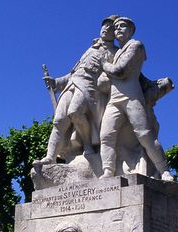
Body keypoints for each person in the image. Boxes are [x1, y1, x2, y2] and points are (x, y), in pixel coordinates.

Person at [36, 16, 118, 165]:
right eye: (105, 26)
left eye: (111, 27)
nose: (106, 29)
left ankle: (88, 145)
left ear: (116, 33)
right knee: (59, 121)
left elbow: (118, 73)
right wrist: (56, 82)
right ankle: (50, 157)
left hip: (89, 86)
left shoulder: (115, 52)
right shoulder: (90, 48)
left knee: (75, 112)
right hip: (72, 84)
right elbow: (74, 72)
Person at [99, 17, 174, 181]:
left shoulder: (136, 45)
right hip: (114, 100)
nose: (118, 29)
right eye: (116, 27)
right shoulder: (118, 52)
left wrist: (104, 64)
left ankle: (164, 171)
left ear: (131, 30)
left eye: (122, 26)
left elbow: (120, 71)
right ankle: (107, 171)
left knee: (145, 135)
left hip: (132, 97)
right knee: (106, 136)